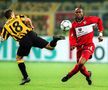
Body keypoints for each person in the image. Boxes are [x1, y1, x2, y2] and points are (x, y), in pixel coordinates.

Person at [0, 9, 65, 85]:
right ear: (11, 14)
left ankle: (25, 77)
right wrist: (31, 26)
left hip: (24, 40)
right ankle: (55, 40)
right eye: (13, 13)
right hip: (31, 34)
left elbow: (2, 38)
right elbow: (27, 20)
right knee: (50, 47)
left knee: (19, 58)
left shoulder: (6, 27)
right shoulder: (18, 17)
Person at [61, 7, 104, 85]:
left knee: (80, 63)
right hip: (79, 48)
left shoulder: (89, 20)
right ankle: (88, 75)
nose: (78, 13)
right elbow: (72, 37)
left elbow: (99, 20)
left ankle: (68, 75)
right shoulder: (73, 25)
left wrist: (100, 34)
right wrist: (72, 45)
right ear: (75, 14)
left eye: (80, 12)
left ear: (83, 13)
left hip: (88, 45)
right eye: (77, 12)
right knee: (80, 68)